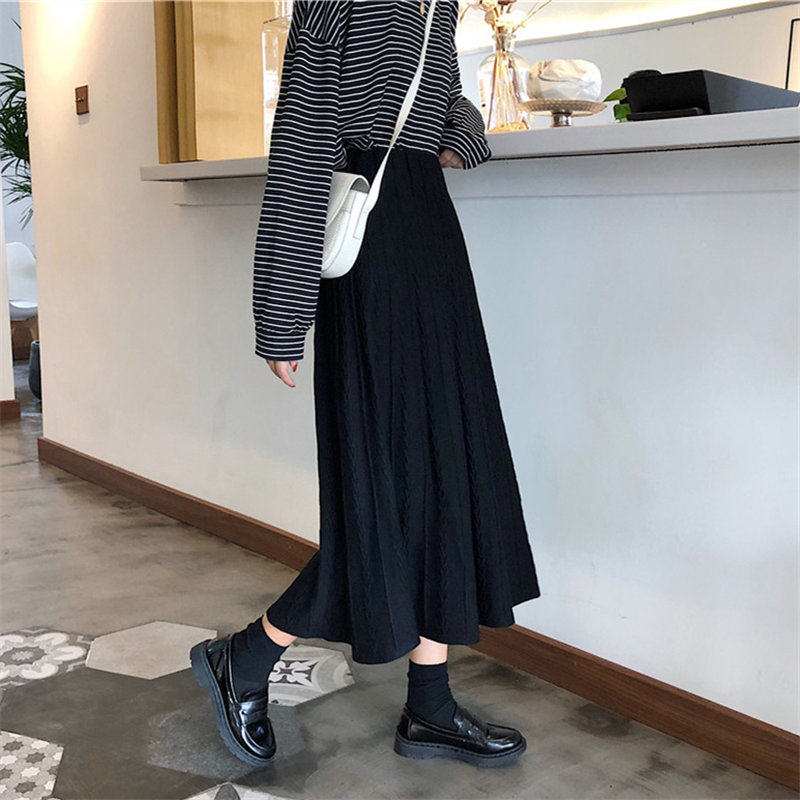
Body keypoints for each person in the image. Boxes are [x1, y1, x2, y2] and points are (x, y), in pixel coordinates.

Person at [191, 0, 540, 769]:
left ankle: (429, 705)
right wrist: (284, 313)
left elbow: (444, 94)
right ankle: (247, 656)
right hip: (372, 239)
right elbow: (303, 134)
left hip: (429, 231)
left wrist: (462, 133)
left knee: (446, 472)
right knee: (390, 488)